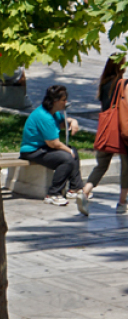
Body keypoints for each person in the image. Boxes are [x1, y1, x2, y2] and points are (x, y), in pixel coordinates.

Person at [79, 58, 128, 216]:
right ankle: (122, 204)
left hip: (107, 131)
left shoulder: (104, 84)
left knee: (101, 165)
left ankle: (85, 192)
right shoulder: (123, 84)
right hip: (121, 132)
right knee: (126, 169)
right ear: (121, 66)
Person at [20, 85, 82, 207]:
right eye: (63, 100)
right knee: (67, 158)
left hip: (44, 147)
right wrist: (68, 151)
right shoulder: (44, 116)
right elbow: (53, 143)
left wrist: (73, 121)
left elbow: (63, 122)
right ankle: (53, 194)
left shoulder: (53, 113)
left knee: (73, 151)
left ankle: (75, 188)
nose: (66, 102)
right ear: (55, 101)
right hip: (33, 150)